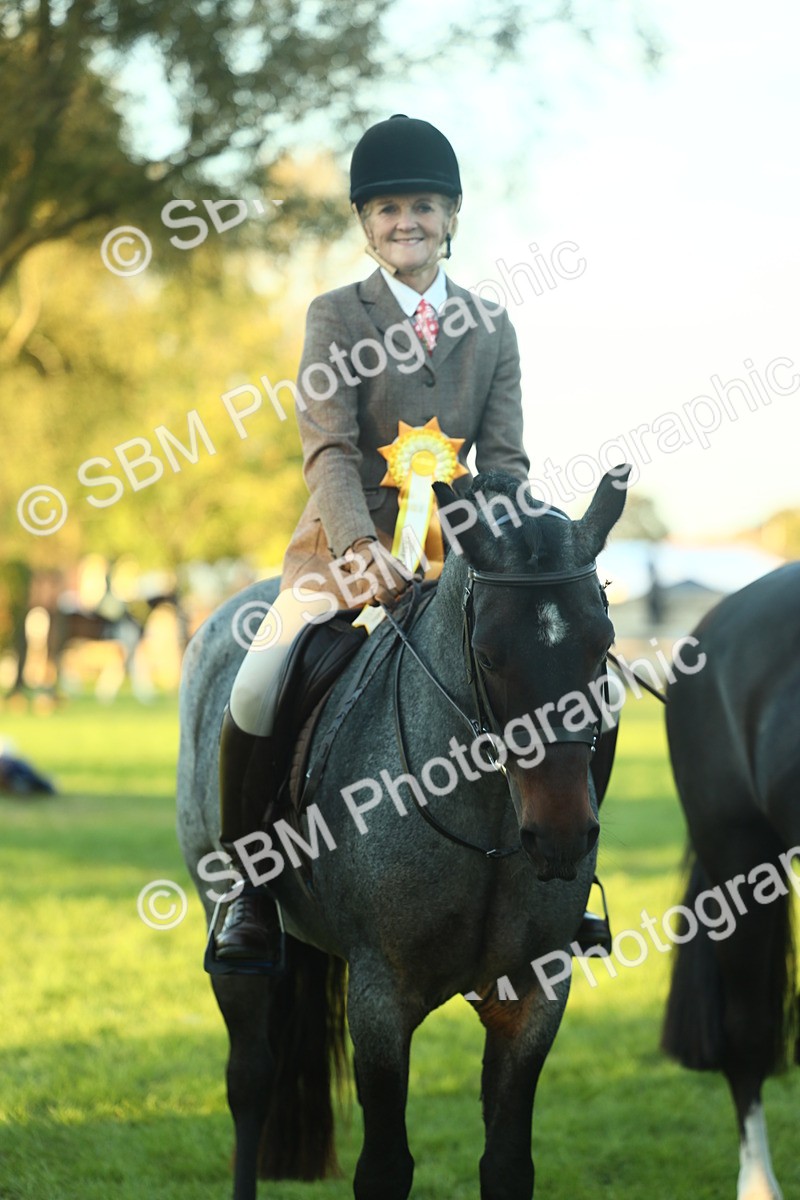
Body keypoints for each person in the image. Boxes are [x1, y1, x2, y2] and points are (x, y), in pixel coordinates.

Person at [214, 114, 532, 962]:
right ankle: (248, 891)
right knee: (258, 679)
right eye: (387, 208)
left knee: (561, 682)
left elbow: (505, 460)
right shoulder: (334, 316)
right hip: (343, 557)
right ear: (365, 223)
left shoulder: (492, 326)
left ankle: (556, 888)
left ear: (452, 216)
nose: (406, 222)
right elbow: (326, 445)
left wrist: (493, 552)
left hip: (460, 565)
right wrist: (360, 546)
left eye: (423, 206)